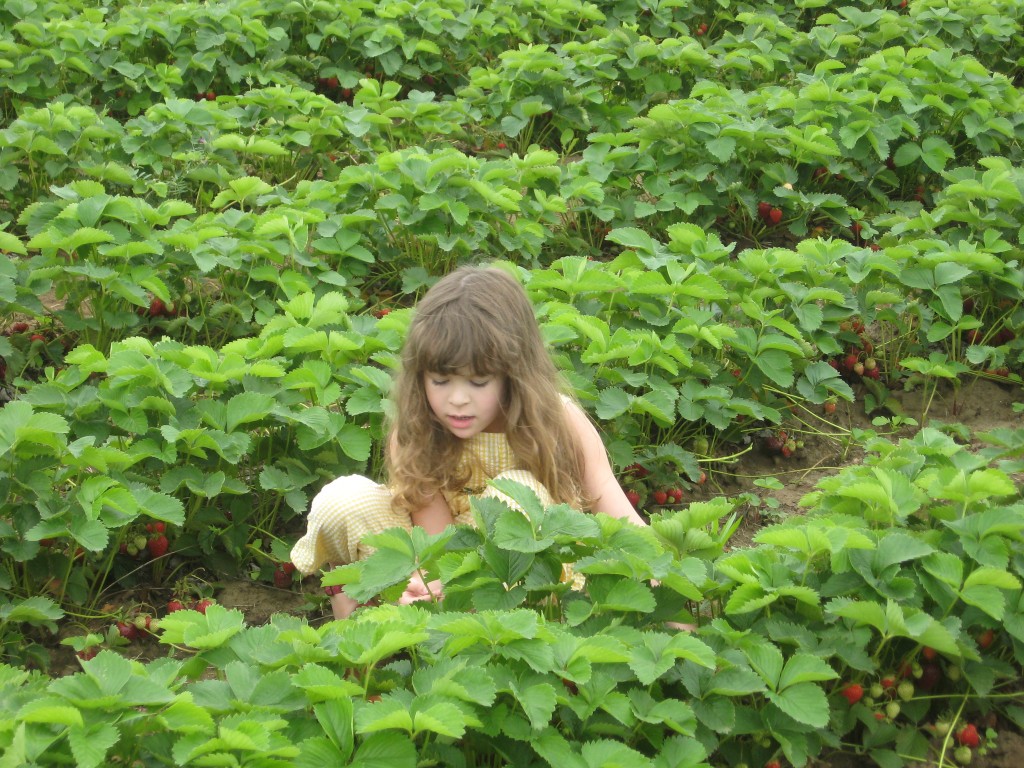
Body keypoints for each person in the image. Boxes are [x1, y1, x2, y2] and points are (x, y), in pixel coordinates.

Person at [290, 264, 648, 619]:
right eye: (440, 381)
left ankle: (496, 631)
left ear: (514, 374)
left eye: (478, 382)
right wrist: (428, 580)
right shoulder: (418, 427)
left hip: (531, 580)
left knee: (515, 495)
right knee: (342, 501)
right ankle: (362, 639)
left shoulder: (557, 419)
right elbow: (438, 542)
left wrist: (661, 580)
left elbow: (617, 513)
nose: (457, 400)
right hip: (446, 562)